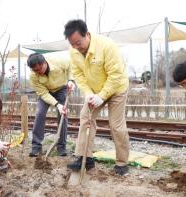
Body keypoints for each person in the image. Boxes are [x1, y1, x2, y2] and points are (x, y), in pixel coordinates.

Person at [64, 19, 130, 176]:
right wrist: (88, 93)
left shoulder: (107, 46)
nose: (76, 47)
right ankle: (85, 158)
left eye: (78, 43)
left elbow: (116, 75)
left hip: (116, 89)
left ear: (87, 34)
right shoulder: (73, 50)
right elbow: (78, 74)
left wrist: (102, 96)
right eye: (72, 44)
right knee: (85, 117)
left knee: (116, 125)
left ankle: (122, 162)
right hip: (94, 91)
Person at [27, 53, 75, 157]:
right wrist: (57, 104)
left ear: (44, 63)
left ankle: (61, 147)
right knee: (40, 114)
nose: (38, 73)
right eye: (35, 71)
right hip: (46, 92)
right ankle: (36, 147)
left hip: (61, 89)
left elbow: (71, 66)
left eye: (39, 70)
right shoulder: (33, 76)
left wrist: (71, 80)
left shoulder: (58, 61)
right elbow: (43, 94)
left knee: (63, 115)